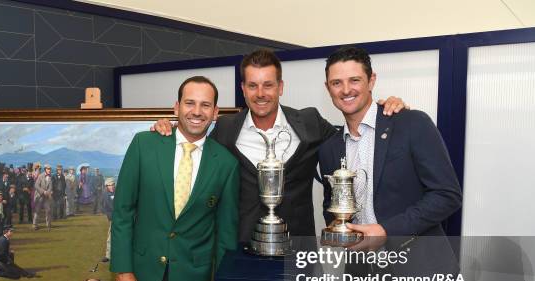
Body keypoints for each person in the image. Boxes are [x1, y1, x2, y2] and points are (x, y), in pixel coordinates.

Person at [319, 46, 462, 281]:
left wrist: (386, 231)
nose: (346, 89)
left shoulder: (410, 123)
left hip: (414, 280)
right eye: (337, 82)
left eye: (355, 79)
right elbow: (331, 207)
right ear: (328, 88)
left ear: (372, 81)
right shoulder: (329, 147)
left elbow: (446, 194)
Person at [153, 49, 407, 242]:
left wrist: (384, 110)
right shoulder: (226, 129)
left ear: (280, 87)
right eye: (252, 85)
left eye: (268, 85)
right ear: (243, 89)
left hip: (297, 249)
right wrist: (167, 129)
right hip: (241, 248)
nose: (260, 93)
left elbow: (354, 135)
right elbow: (194, 149)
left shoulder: (309, 122)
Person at [111, 75, 239, 281]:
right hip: (141, 274)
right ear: (176, 107)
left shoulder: (225, 164)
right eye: (190, 102)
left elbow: (225, 233)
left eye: (205, 105)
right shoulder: (144, 144)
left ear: (215, 113)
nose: (196, 111)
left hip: (193, 278)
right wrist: (122, 270)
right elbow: (123, 212)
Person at [99, 177, 115, 263]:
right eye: (109, 185)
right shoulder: (104, 194)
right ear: (106, 186)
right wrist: (108, 214)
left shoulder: (119, 192)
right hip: (112, 218)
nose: (111, 187)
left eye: (112, 185)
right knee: (110, 237)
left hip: (122, 217)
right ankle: (108, 256)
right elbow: (102, 205)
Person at [33, 164, 53, 230]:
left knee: (48, 210)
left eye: (50, 169)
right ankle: (35, 225)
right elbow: (36, 185)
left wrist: (48, 192)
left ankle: (48, 225)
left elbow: (50, 187)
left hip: (46, 197)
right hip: (39, 196)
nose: (49, 170)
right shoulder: (40, 176)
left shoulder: (50, 177)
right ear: (45, 170)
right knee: (37, 211)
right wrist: (43, 191)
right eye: (48, 169)